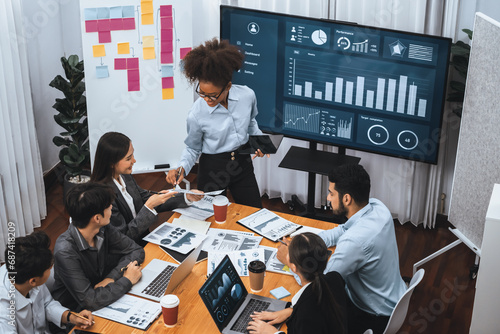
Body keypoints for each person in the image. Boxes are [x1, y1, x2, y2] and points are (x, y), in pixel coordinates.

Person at [281, 164, 406, 334]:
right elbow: (343, 229)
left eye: (331, 193)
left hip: (371, 316)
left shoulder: (353, 242)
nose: (328, 198)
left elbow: (320, 285)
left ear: (346, 199)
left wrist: (291, 261)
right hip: (394, 299)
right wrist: (306, 242)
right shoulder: (378, 207)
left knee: (303, 319)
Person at [166, 38, 267, 208]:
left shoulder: (247, 96)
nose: (206, 99)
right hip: (213, 168)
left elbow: (251, 123)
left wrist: (259, 143)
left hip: (242, 164)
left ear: (228, 86)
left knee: (254, 211)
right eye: (202, 93)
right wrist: (181, 169)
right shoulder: (196, 114)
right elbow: (192, 148)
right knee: (209, 217)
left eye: (212, 95)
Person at [91, 132, 203, 244]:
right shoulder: (102, 196)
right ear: (111, 163)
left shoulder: (125, 176)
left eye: (133, 155)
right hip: (127, 253)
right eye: (128, 158)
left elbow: (145, 198)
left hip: (143, 241)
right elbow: (123, 237)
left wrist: (186, 196)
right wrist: (148, 207)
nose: (134, 161)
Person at [52, 182, 145, 311]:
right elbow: (90, 301)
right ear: (97, 218)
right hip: (78, 314)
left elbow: (135, 250)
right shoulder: (65, 251)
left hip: (105, 296)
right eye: (108, 206)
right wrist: (127, 280)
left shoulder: (102, 228)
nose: (112, 207)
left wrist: (111, 277)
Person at [247, 233, 347, 334]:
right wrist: (291, 311)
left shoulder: (305, 315)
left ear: (294, 267)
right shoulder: (335, 278)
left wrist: (272, 333)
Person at [0, 231, 93, 333]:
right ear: (33, 281)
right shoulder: (4, 313)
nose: (52, 269)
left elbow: (46, 304)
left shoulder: (24, 270)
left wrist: (72, 317)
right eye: (49, 268)